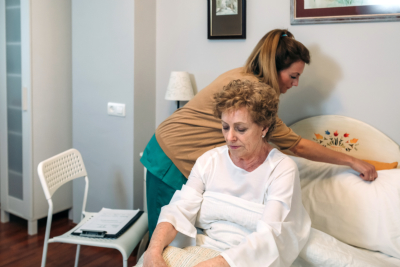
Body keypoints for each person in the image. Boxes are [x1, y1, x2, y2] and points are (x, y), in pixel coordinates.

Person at [140, 28, 377, 239]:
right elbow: (298, 146)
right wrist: (352, 160)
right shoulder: (251, 92)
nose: (295, 84)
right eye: (293, 76)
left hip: (176, 146)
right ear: (274, 69)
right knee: (166, 234)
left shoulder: (244, 76)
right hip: (171, 152)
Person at [143, 80, 311, 267]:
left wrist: (216, 264)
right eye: (225, 127)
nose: (230, 137)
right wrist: (153, 251)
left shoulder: (282, 169)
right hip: (203, 249)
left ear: (264, 127)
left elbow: (271, 235)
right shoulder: (209, 161)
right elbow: (179, 209)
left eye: (240, 129)